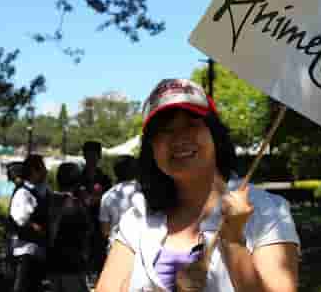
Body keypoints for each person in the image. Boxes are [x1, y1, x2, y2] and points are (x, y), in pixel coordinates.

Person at [96, 78, 300, 292]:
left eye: (192, 124)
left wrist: (233, 241)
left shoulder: (268, 212)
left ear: (215, 135)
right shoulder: (136, 218)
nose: (179, 138)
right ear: (151, 148)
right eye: (165, 130)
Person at [7, 154, 50, 292]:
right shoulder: (23, 193)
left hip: (38, 251)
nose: (46, 171)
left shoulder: (41, 190)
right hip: (26, 251)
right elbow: (20, 218)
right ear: (34, 171)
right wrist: (36, 227)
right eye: (42, 168)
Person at [48, 162, 92, 292]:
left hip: (52, 264)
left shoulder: (49, 200)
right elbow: (87, 231)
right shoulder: (75, 204)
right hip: (73, 265)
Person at [78, 140, 112, 276]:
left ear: (99, 156)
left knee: (100, 265)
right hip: (81, 228)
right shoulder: (77, 178)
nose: (92, 158)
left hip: (100, 228)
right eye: (89, 154)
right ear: (84, 155)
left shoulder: (105, 179)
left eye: (95, 154)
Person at [99, 155, 142, 247]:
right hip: (142, 247)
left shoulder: (107, 196)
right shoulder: (146, 192)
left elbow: (105, 231)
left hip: (116, 247)